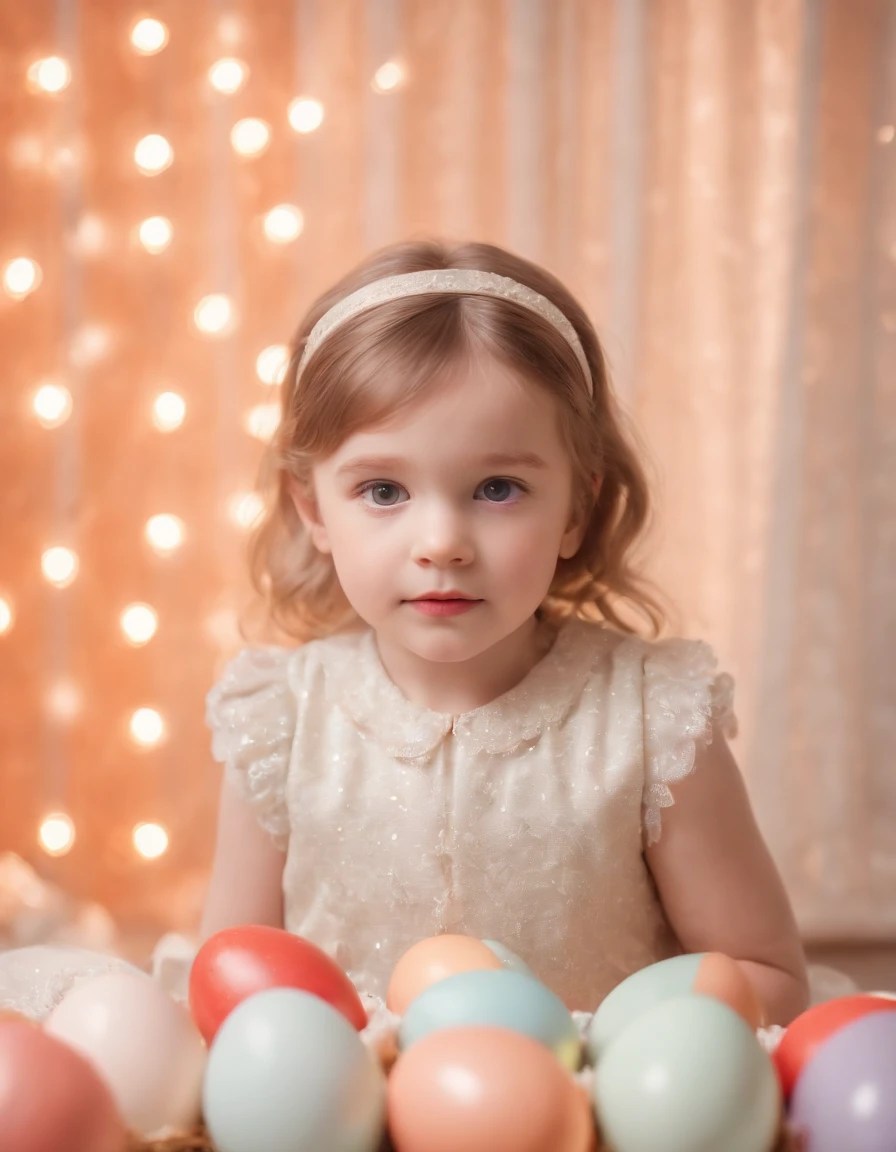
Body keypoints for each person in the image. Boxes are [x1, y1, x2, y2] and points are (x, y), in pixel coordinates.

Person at [201, 240, 809, 1024]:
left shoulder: (654, 720)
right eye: (384, 489)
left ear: (577, 510)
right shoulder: (280, 720)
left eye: (497, 488)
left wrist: (599, 1050)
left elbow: (769, 979)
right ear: (314, 508)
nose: (442, 541)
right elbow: (229, 990)